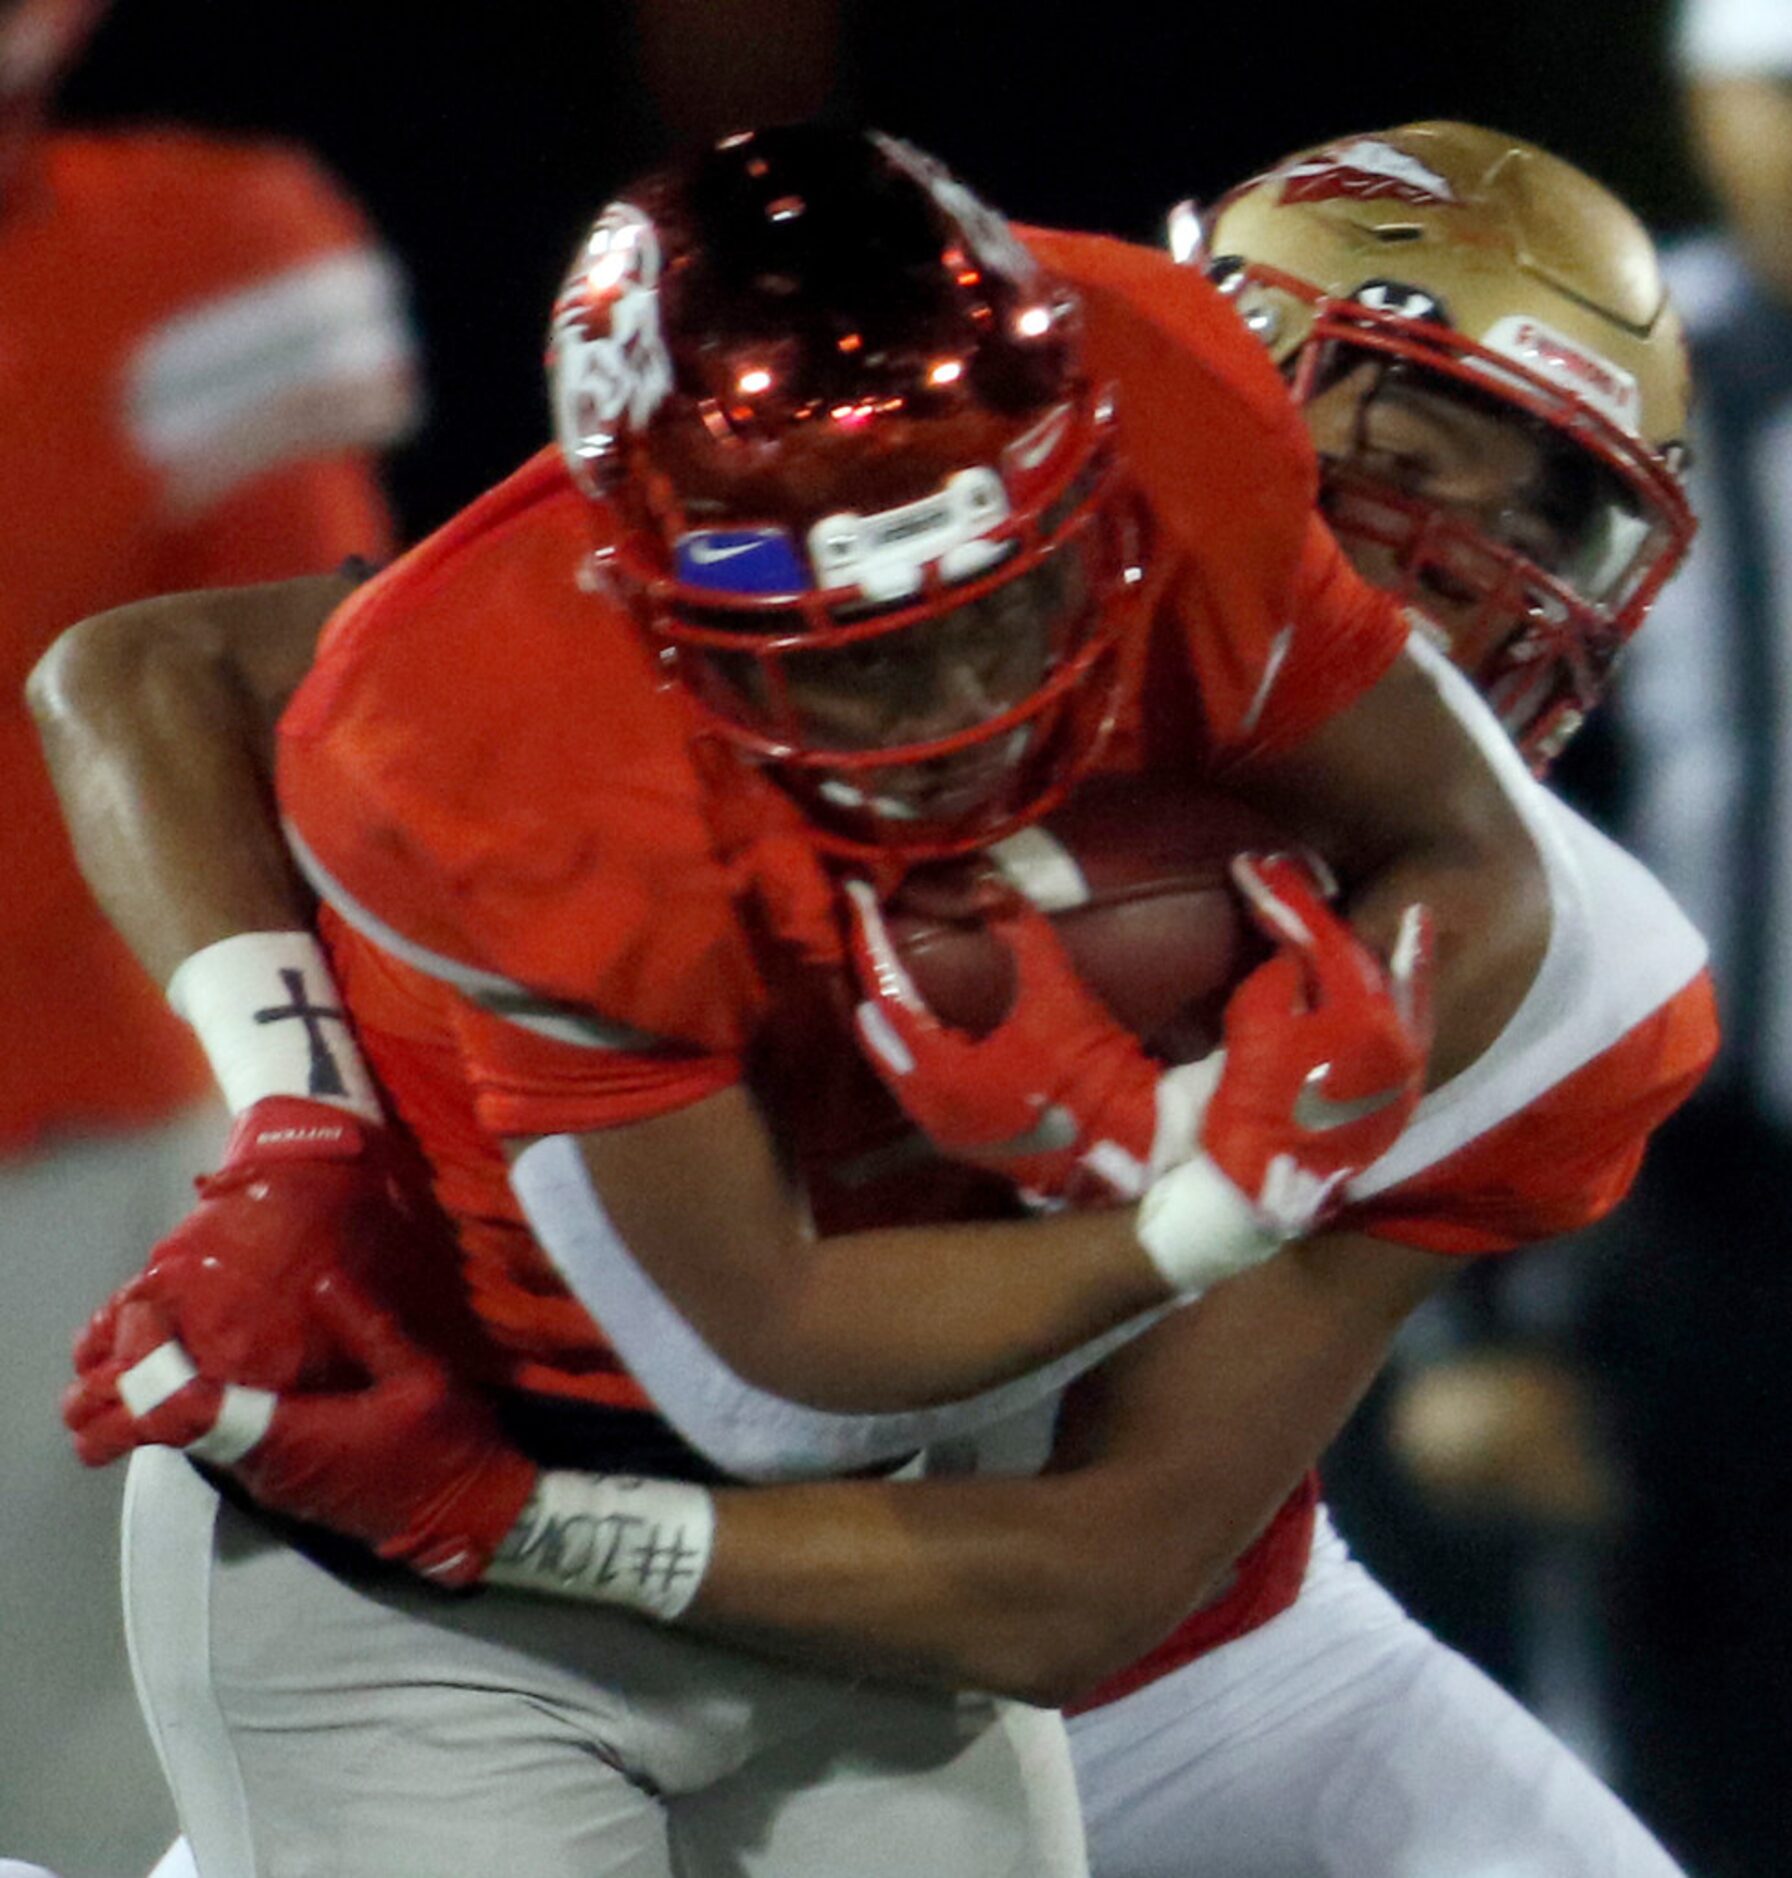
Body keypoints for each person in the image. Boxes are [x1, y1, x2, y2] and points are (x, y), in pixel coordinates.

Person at [32, 122, 1625, 1876]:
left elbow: (1081, 1580)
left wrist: (1242, 1159)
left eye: (1534, 513)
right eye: (1389, 458)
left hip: (1078, 1630)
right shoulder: (526, 722)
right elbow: (150, 671)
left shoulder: (1531, 929)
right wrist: (300, 1115)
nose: (1445, 571)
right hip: (510, 1515)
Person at [0, 2, 418, 1870]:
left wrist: (316, 1123)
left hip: (80, 1122)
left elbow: (303, 720)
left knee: (91, 1745)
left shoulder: (201, 249)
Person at [1568, 2, 1792, 1869]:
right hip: (1703, 1196)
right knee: (1701, 1749)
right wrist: (1482, 1302)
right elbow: (1472, 831)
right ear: (1706, 107)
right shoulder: (1625, 389)